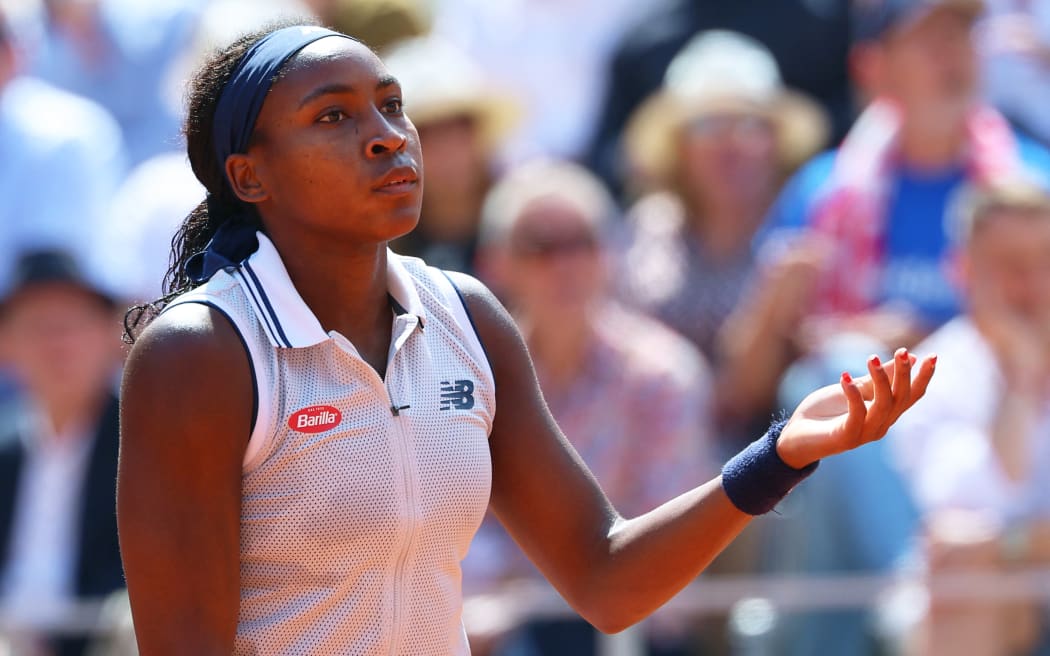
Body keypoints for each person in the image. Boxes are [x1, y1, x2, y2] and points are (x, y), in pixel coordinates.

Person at [115, 21, 936, 654]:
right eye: (333, 115)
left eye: (391, 106)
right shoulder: (200, 354)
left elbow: (606, 576)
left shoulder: (467, 317)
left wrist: (780, 453)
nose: (387, 136)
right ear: (249, 175)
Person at [465, 160, 717, 654]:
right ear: (497, 263)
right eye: (541, 246)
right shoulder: (468, 372)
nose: (565, 264)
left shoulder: (662, 376)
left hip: (629, 623)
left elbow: (667, 538)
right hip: (498, 623)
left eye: (582, 242)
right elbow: (458, 527)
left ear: (609, 256)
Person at [617, 29, 828, 448]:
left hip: (769, 464)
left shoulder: (806, 230)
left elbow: (749, 398)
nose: (729, 145)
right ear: (679, 147)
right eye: (707, 124)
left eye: (750, 124)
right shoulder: (648, 229)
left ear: (776, 141)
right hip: (648, 445)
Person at [889, 180, 1050, 656]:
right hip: (980, 604)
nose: (1036, 283)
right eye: (1012, 265)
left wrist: (1013, 544)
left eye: (1047, 260)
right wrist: (1020, 375)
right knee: (964, 578)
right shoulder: (931, 373)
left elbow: (990, 536)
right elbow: (969, 514)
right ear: (963, 270)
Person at [0, 249, 125, 656]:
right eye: (39, 327)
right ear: (6, 345)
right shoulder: (7, 445)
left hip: (104, 638)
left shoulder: (146, 441)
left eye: (73, 324)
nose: (58, 345)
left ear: (111, 336)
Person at [383, 35, 518, 275]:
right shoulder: (379, 241)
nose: (449, 151)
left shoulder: (523, 220)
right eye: (429, 136)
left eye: (459, 129)